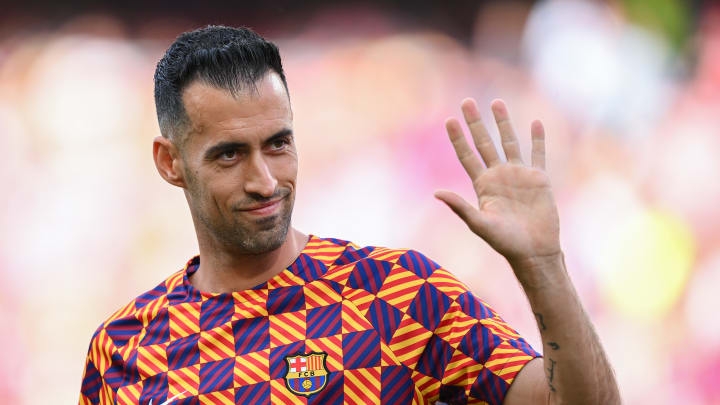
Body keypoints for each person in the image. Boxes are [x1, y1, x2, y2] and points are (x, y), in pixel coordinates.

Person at [79, 25, 620, 404]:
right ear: (170, 162)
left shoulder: (399, 293)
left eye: (278, 144)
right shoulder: (123, 348)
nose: (265, 180)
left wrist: (543, 267)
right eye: (229, 155)